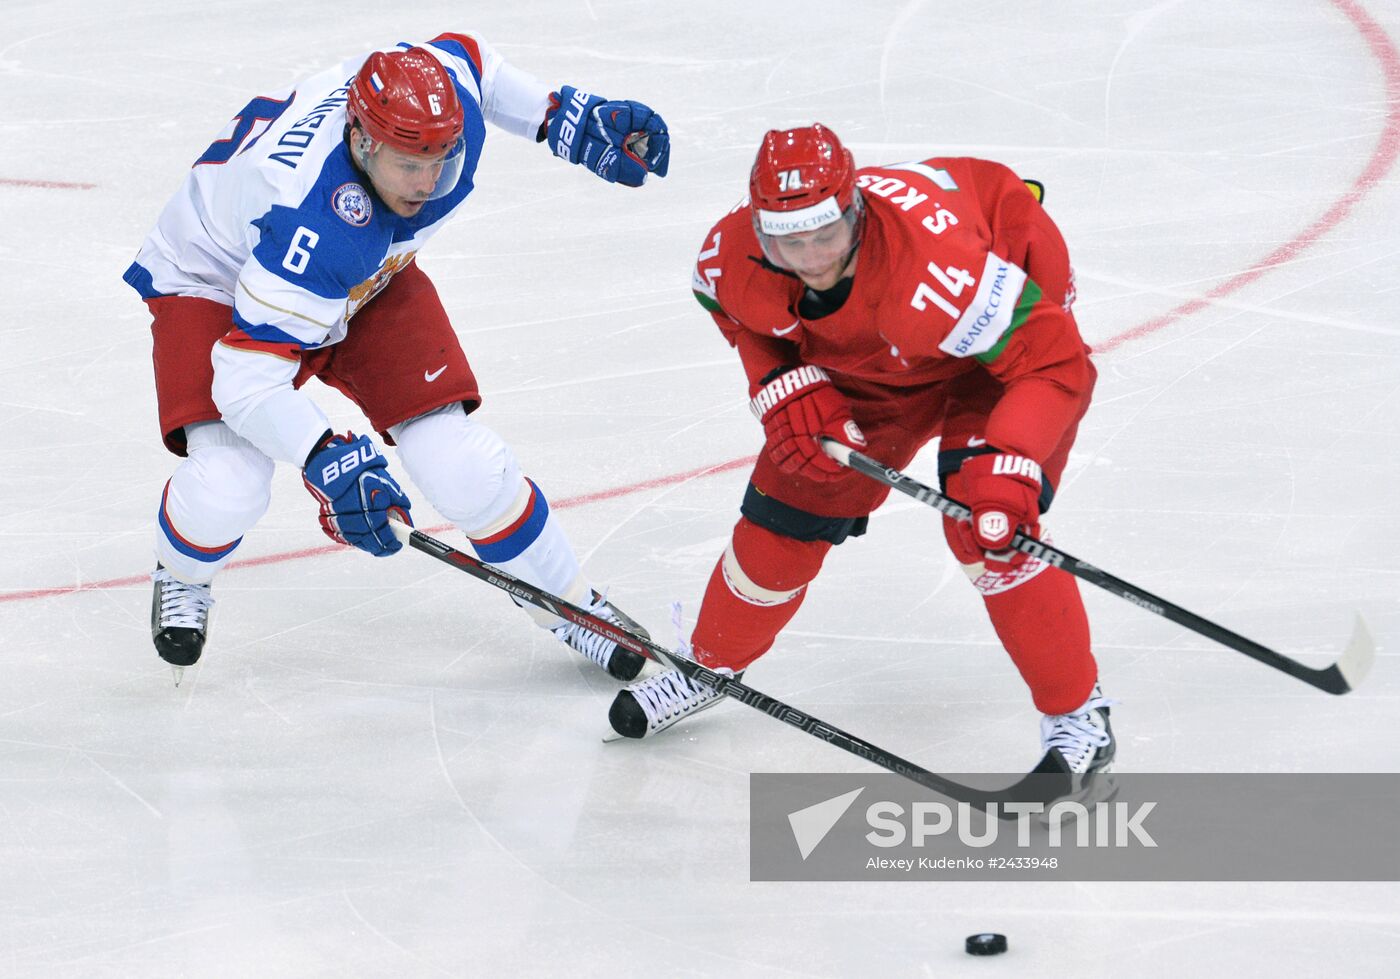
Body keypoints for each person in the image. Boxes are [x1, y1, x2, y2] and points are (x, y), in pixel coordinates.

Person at [125, 34, 671, 684]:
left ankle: (572, 606)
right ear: (360, 139)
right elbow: (248, 381)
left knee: (463, 465)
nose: (429, 182)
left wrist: (563, 119)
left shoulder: (440, 107)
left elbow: (473, 60)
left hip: (362, 272)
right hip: (216, 280)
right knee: (229, 485)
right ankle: (183, 573)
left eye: (442, 157)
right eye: (410, 163)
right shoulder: (310, 217)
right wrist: (325, 454)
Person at [607, 124, 1115, 777]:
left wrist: (1013, 462)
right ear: (760, 232)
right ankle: (709, 664)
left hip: (995, 347)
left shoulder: (940, 273)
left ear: (859, 214)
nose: (813, 258)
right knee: (785, 514)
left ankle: (1080, 715)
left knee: (985, 525)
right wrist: (778, 380)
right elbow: (722, 299)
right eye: (790, 241)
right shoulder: (735, 253)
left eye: (827, 235)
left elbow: (1054, 365)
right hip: (882, 359)